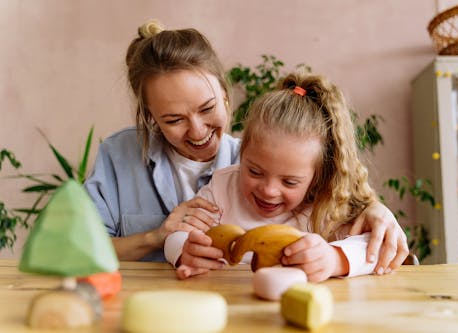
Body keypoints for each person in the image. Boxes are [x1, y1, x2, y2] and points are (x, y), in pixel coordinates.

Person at [84, 19, 408, 273]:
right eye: (173, 120)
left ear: (225, 95)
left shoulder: (264, 156)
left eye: (207, 108)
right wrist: (161, 237)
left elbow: (354, 224)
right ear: (150, 116)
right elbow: (78, 253)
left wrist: (373, 210)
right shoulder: (121, 157)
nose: (197, 131)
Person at [166, 72, 388, 282]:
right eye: (254, 171)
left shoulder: (327, 203)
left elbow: (376, 247)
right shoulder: (222, 187)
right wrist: (184, 251)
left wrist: (334, 259)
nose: (269, 190)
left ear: (316, 177)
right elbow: (177, 236)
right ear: (241, 153)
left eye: (290, 182)